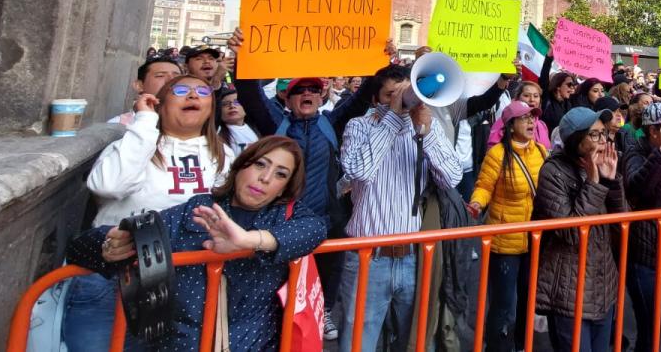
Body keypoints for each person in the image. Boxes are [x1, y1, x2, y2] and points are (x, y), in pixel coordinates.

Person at [67, 136, 325, 351]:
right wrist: (110, 245)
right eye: (260, 164)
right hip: (182, 343)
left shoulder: (287, 217)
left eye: (280, 174)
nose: (266, 178)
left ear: (283, 189)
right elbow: (84, 245)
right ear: (240, 167)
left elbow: (314, 230)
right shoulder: (198, 209)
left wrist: (248, 241)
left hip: (252, 343)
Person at [64, 74, 234, 351]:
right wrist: (144, 123)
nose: (192, 95)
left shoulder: (225, 155)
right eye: (181, 90)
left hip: (187, 282)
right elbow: (109, 185)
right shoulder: (134, 142)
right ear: (161, 104)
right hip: (116, 280)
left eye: (202, 91)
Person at [227, 28, 362, 341]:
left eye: (314, 90)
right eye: (301, 90)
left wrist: (382, 61)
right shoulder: (276, 122)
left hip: (327, 217)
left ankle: (323, 311)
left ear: (321, 96)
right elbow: (250, 94)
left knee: (329, 267)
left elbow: (361, 100)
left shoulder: (331, 123)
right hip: (283, 219)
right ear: (288, 97)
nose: (308, 95)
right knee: (281, 275)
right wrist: (242, 58)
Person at [337, 65, 462, 352]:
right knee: (358, 342)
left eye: (406, 91)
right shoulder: (359, 126)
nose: (404, 98)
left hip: (412, 258)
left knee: (413, 341)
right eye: (392, 94)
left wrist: (427, 132)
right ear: (376, 100)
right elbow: (358, 171)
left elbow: (453, 177)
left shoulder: (424, 128)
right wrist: (393, 117)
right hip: (368, 258)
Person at [532, 107, 626, 352]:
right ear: (576, 139)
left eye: (603, 133)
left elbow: (622, 219)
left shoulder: (602, 165)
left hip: (602, 283)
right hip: (569, 288)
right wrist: (595, 183)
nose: (603, 140)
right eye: (594, 135)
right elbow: (572, 231)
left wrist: (610, 181)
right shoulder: (553, 172)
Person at [467, 101, 549, 352]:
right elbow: (484, 186)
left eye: (532, 118)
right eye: (524, 119)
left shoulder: (542, 152)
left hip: (534, 239)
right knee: (504, 305)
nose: (530, 123)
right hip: (505, 241)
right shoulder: (497, 155)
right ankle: (497, 346)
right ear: (510, 125)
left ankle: (523, 346)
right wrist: (477, 203)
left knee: (528, 300)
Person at [621, 103, 661, 352]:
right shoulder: (634, 153)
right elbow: (637, 189)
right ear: (652, 132)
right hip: (648, 258)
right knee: (652, 335)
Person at [107, 55, 184, 125]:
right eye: (160, 76)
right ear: (139, 86)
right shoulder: (118, 125)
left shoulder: (193, 123)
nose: (171, 80)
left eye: (177, 77)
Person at [487, 80, 550, 148]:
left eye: (536, 96)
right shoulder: (506, 120)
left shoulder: (542, 125)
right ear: (517, 98)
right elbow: (493, 148)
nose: (532, 99)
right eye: (526, 95)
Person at [218, 88, 259, 156]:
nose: (232, 106)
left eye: (237, 102)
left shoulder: (259, 128)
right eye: (225, 104)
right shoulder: (216, 132)